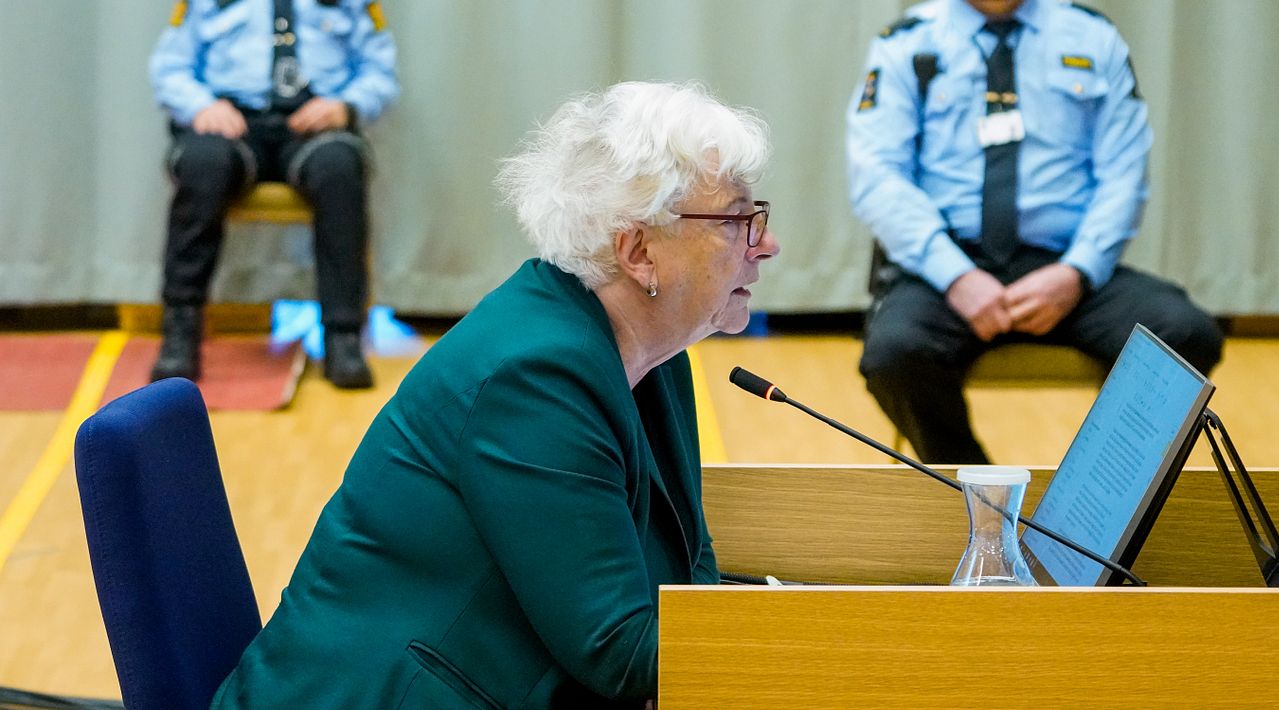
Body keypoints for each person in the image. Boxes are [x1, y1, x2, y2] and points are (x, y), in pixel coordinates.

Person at [210, 82, 778, 708]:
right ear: (638, 251)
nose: (766, 245)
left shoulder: (653, 350)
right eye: (736, 222)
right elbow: (620, 651)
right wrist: (812, 645)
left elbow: (689, 555)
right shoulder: (535, 376)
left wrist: (747, 628)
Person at [847, 0, 1223, 464]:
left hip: (1065, 267)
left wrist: (1077, 271)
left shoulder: (1091, 36)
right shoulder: (906, 43)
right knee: (895, 354)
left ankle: (1095, 493)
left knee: (1184, 335)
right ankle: (975, 491)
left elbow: (1124, 173)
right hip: (948, 267)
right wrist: (956, 276)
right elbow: (878, 177)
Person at [148, 0, 399, 388]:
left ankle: (343, 335)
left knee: (339, 169)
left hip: (313, 124)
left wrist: (346, 107)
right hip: (233, 122)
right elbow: (170, 67)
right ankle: (180, 327)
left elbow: (380, 72)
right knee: (202, 165)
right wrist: (201, 107)